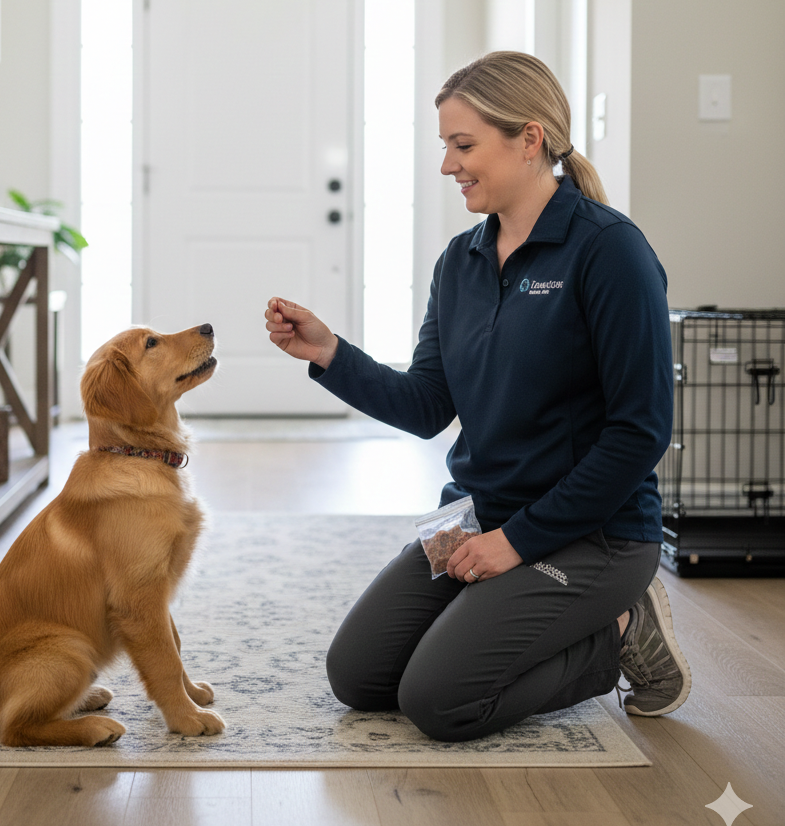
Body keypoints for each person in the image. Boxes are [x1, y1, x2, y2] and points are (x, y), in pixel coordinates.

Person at [263, 51, 691, 742]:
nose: (447, 165)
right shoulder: (459, 261)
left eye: (463, 146)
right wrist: (330, 355)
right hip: (478, 516)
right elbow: (429, 403)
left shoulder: (609, 252)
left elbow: (639, 434)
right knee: (361, 677)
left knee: (439, 700)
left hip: (593, 535)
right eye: (445, 146)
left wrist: (516, 543)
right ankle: (530, 611)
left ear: (530, 139)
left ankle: (620, 629)